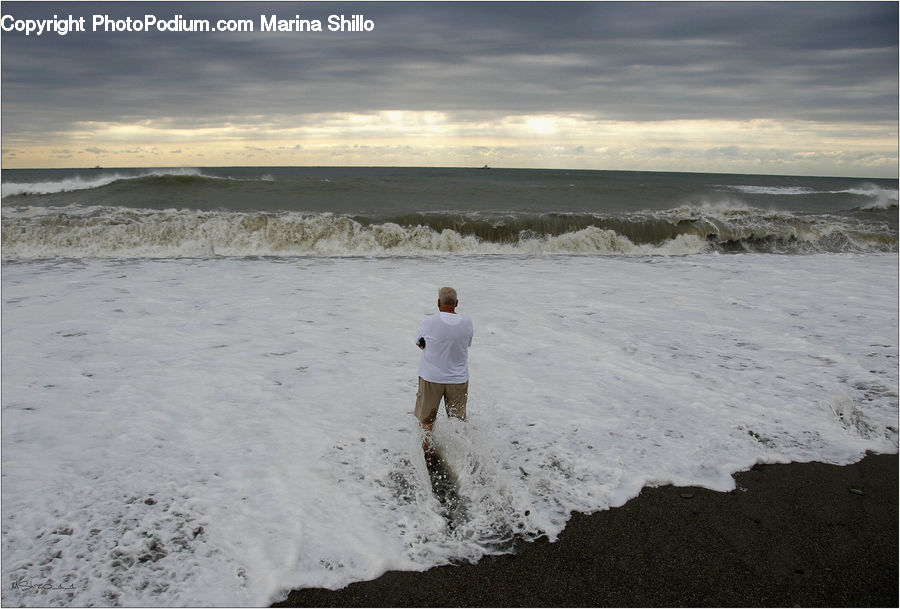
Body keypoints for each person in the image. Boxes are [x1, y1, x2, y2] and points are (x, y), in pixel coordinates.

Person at [414, 286, 474, 465]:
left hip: (432, 377)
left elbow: (420, 343)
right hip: (458, 379)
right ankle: (459, 458)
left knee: (426, 421)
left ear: (438, 303)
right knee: (457, 420)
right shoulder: (467, 322)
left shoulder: (429, 322)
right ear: (456, 303)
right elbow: (466, 344)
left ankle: (428, 456)